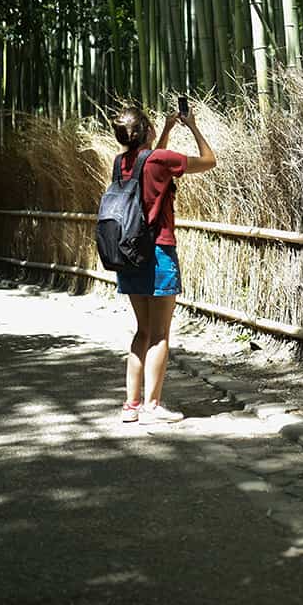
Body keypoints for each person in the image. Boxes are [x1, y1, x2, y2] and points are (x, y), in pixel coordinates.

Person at [111, 105, 216, 424]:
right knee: (159, 334)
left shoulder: (122, 163)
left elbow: (149, 166)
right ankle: (153, 406)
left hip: (128, 254)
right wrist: (194, 127)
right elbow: (209, 161)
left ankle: (131, 405)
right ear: (147, 131)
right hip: (158, 253)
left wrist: (168, 130)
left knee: (142, 332)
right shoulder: (160, 160)